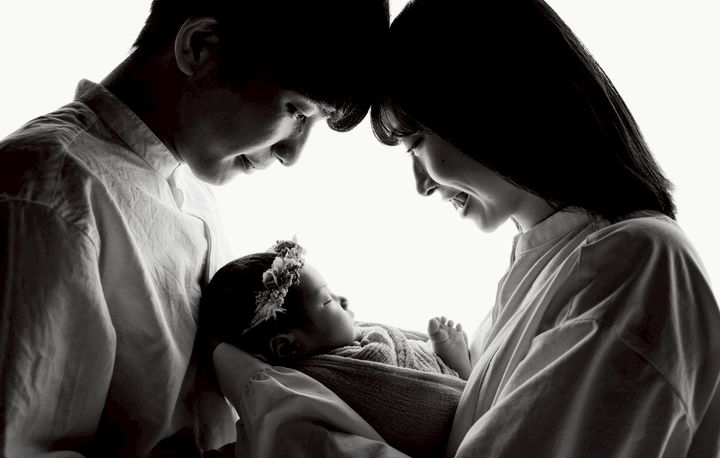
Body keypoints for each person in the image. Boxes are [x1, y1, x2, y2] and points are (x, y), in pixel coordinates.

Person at [211, 0, 720, 456]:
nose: (421, 185)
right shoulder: (548, 263)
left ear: (486, 109)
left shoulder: (630, 261)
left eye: (415, 144)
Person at [0, 0, 389, 455]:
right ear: (200, 47)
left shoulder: (190, 185)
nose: (292, 154)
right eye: (297, 112)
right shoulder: (46, 197)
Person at [201, 238, 468, 456]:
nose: (344, 300)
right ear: (287, 346)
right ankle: (456, 370)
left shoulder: (342, 346)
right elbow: (422, 411)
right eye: (328, 301)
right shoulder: (309, 385)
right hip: (444, 432)